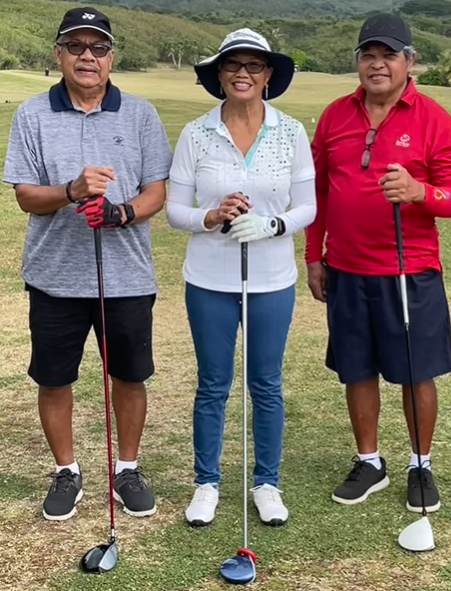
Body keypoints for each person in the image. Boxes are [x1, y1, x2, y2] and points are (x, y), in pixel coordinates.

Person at [2, 6, 173, 521]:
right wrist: (72, 190)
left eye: (98, 47)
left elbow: (156, 190)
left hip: (127, 276)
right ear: (58, 54)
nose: (87, 56)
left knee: (129, 375)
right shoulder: (32, 114)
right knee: (55, 379)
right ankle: (66, 471)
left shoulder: (140, 113)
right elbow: (26, 197)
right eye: (75, 46)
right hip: (54, 277)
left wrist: (123, 213)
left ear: (111, 57)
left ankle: (127, 469)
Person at [305, 13, 451, 514]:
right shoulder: (335, 115)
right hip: (346, 268)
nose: (377, 64)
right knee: (356, 369)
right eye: (368, 55)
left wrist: (420, 191)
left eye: (388, 55)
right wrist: (314, 256)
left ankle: (421, 463)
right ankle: (369, 461)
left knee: (416, 372)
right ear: (358, 61)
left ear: (408, 61)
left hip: (409, 269)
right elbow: (318, 191)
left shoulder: (433, 118)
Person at [166, 28, 316, 527]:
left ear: (268, 74)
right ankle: (206, 483)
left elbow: (308, 207)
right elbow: (174, 210)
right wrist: (210, 216)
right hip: (208, 279)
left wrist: (274, 225)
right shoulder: (197, 133)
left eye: (254, 65)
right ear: (219, 74)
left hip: (272, 279)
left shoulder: (290, 132)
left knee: (266, 384)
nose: (242, 73)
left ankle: (266, 483)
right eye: (232, 64)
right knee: (213, 384)